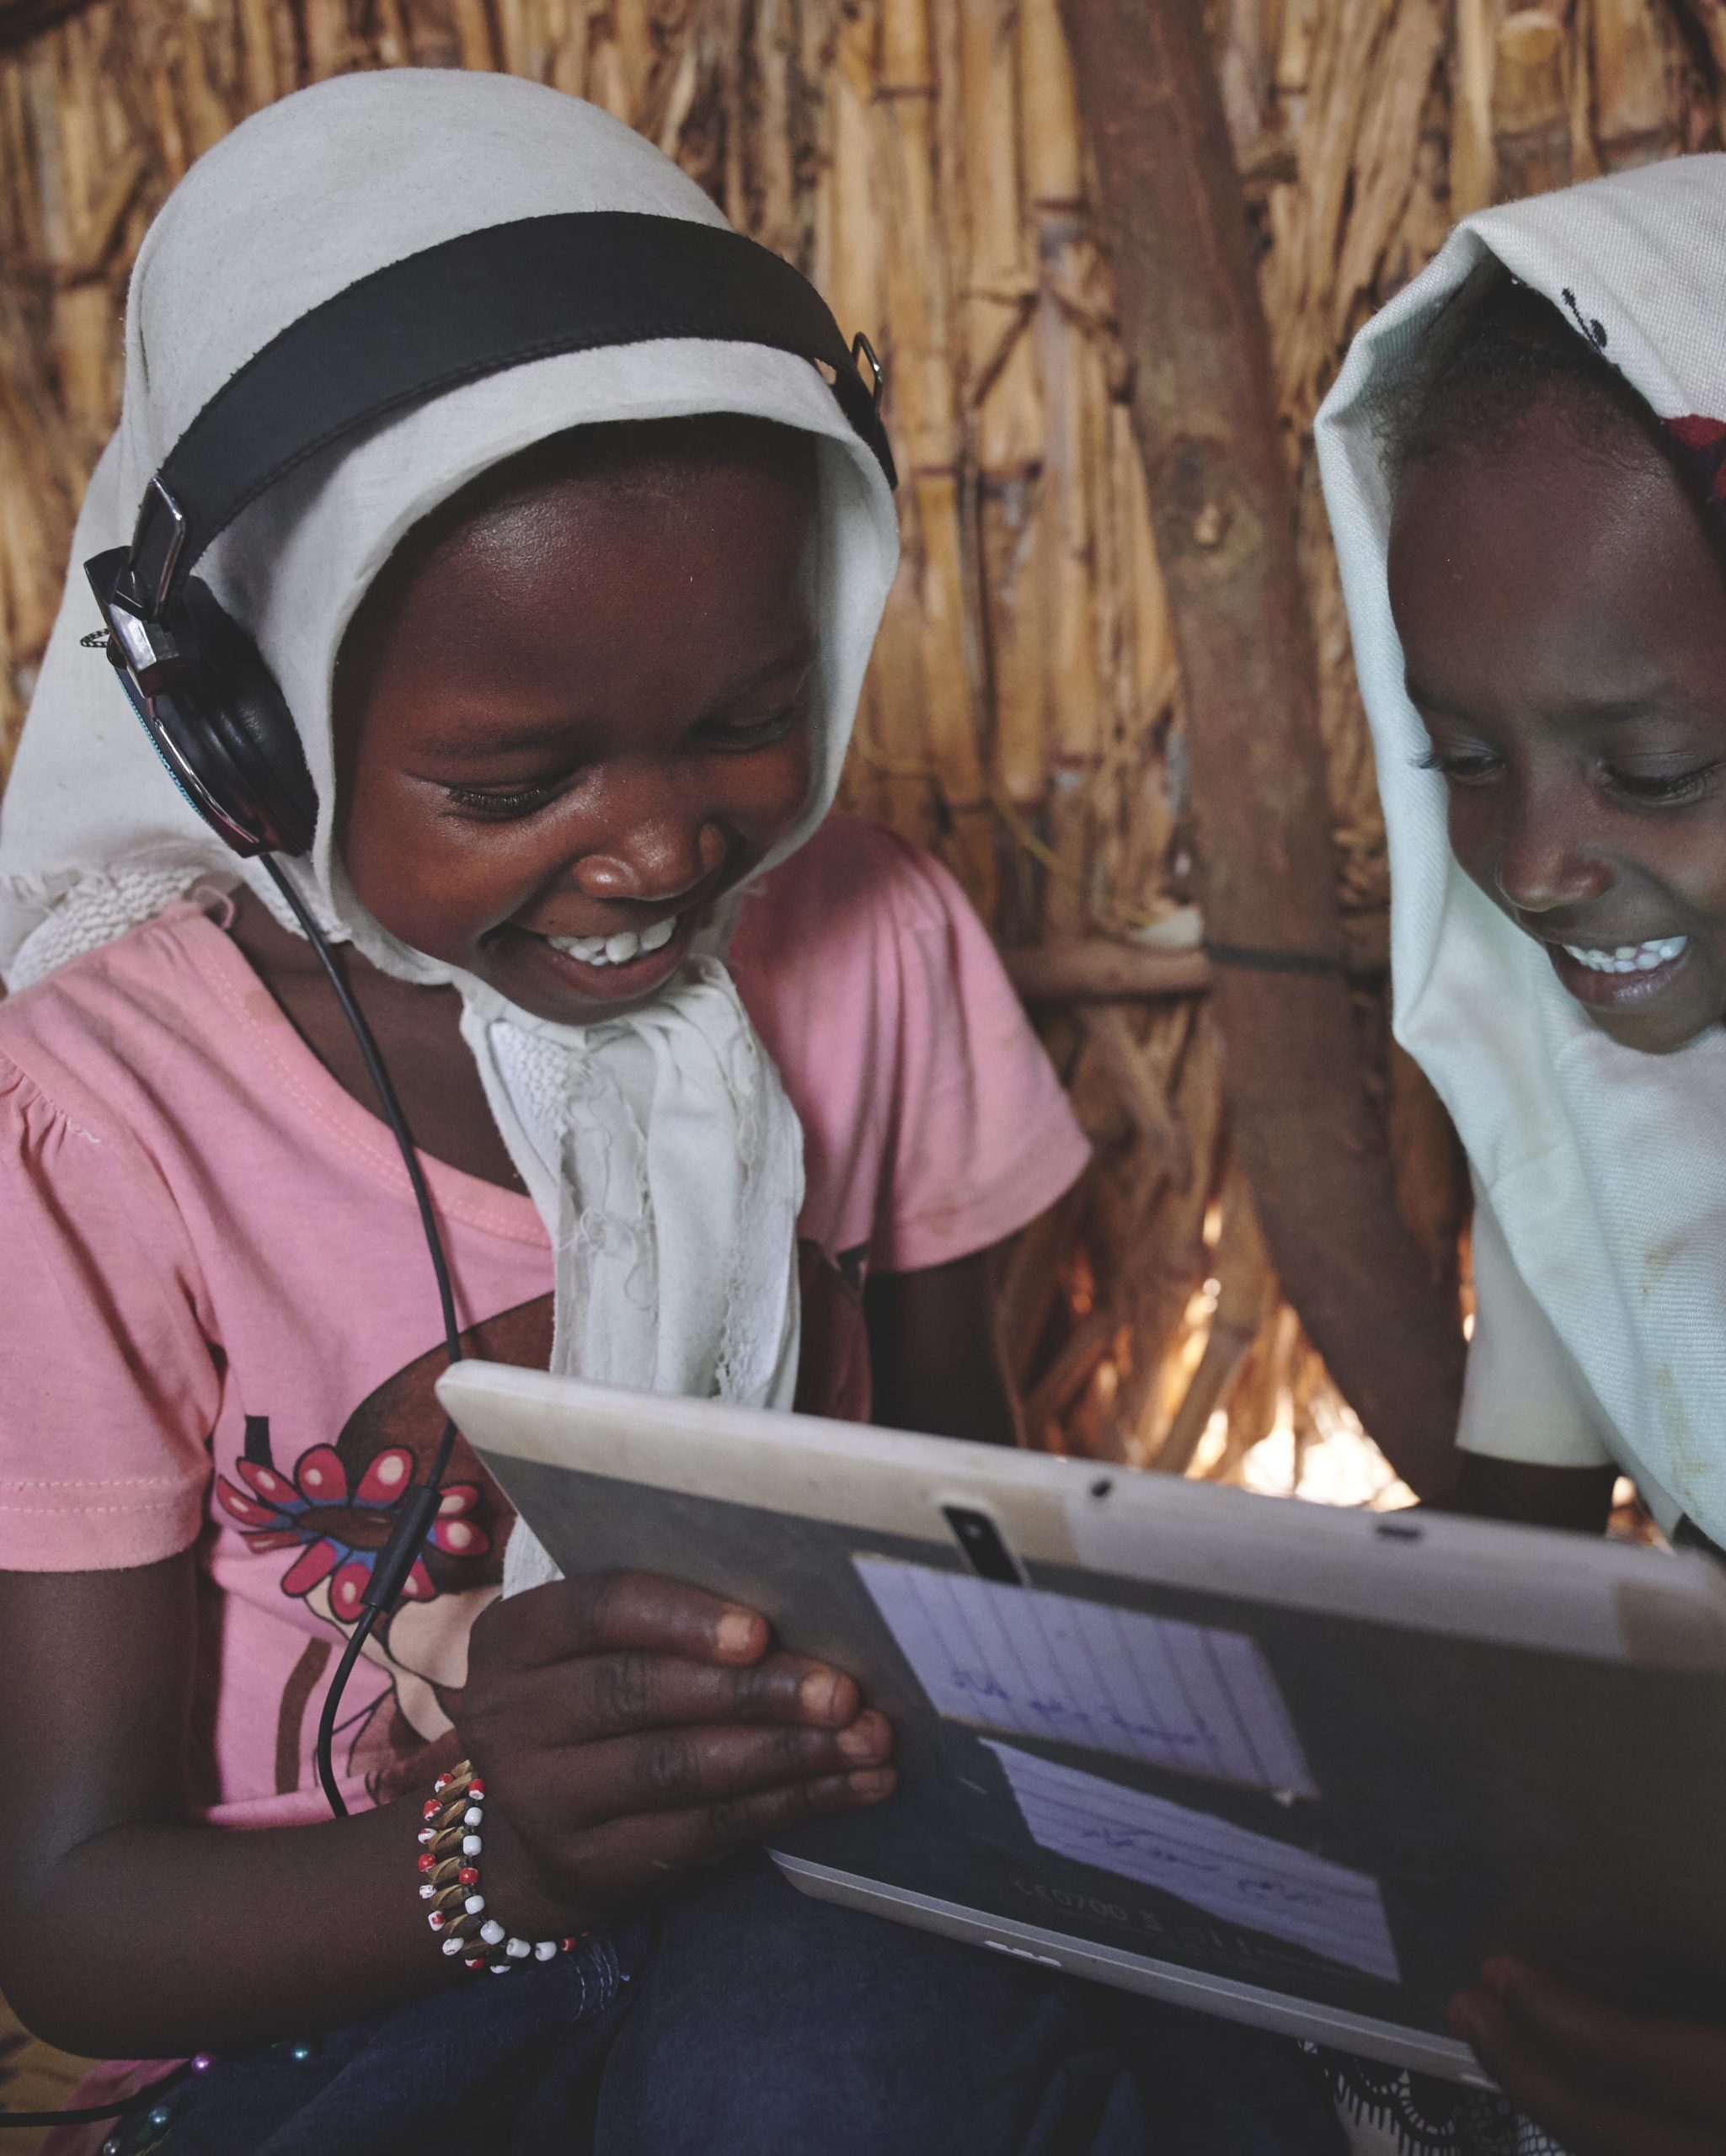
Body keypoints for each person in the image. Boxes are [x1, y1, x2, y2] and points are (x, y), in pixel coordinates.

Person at [0, 68, 1345, 2156]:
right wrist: (512, 1865)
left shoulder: (871, 937)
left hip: (824, 1903)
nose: (654, 848)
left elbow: (957, 1513)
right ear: (242, 725)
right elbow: (75, 1921)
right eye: (516, 780)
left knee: (822, 2065)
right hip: (315, 2005)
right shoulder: (94, 1120)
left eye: (742, 721)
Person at [1314, 155, 1726, 2156]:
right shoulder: (1592, 1102)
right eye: (1460, 758)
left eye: (1647, 768)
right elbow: (1507, 1567)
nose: (1537, 865)